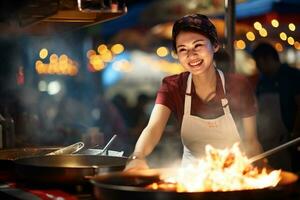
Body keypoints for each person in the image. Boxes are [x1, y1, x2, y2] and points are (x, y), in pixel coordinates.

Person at [125, 14, 263, 170]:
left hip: (233, 175)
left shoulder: (238, 85)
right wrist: (138, 155)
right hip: (192, 179)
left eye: (198, 45)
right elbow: (153, 128)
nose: (191, 55)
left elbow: (251, 140)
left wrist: (257, 168)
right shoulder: (173, 86)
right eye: (182, 49)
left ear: (215, 45)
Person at [251, 42, 300, 172]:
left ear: (268, 59)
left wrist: (295, 133)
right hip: (266, 143)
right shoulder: (262, 80)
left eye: (258, 62)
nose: (258, 67)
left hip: (288, 142)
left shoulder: (292, 75)